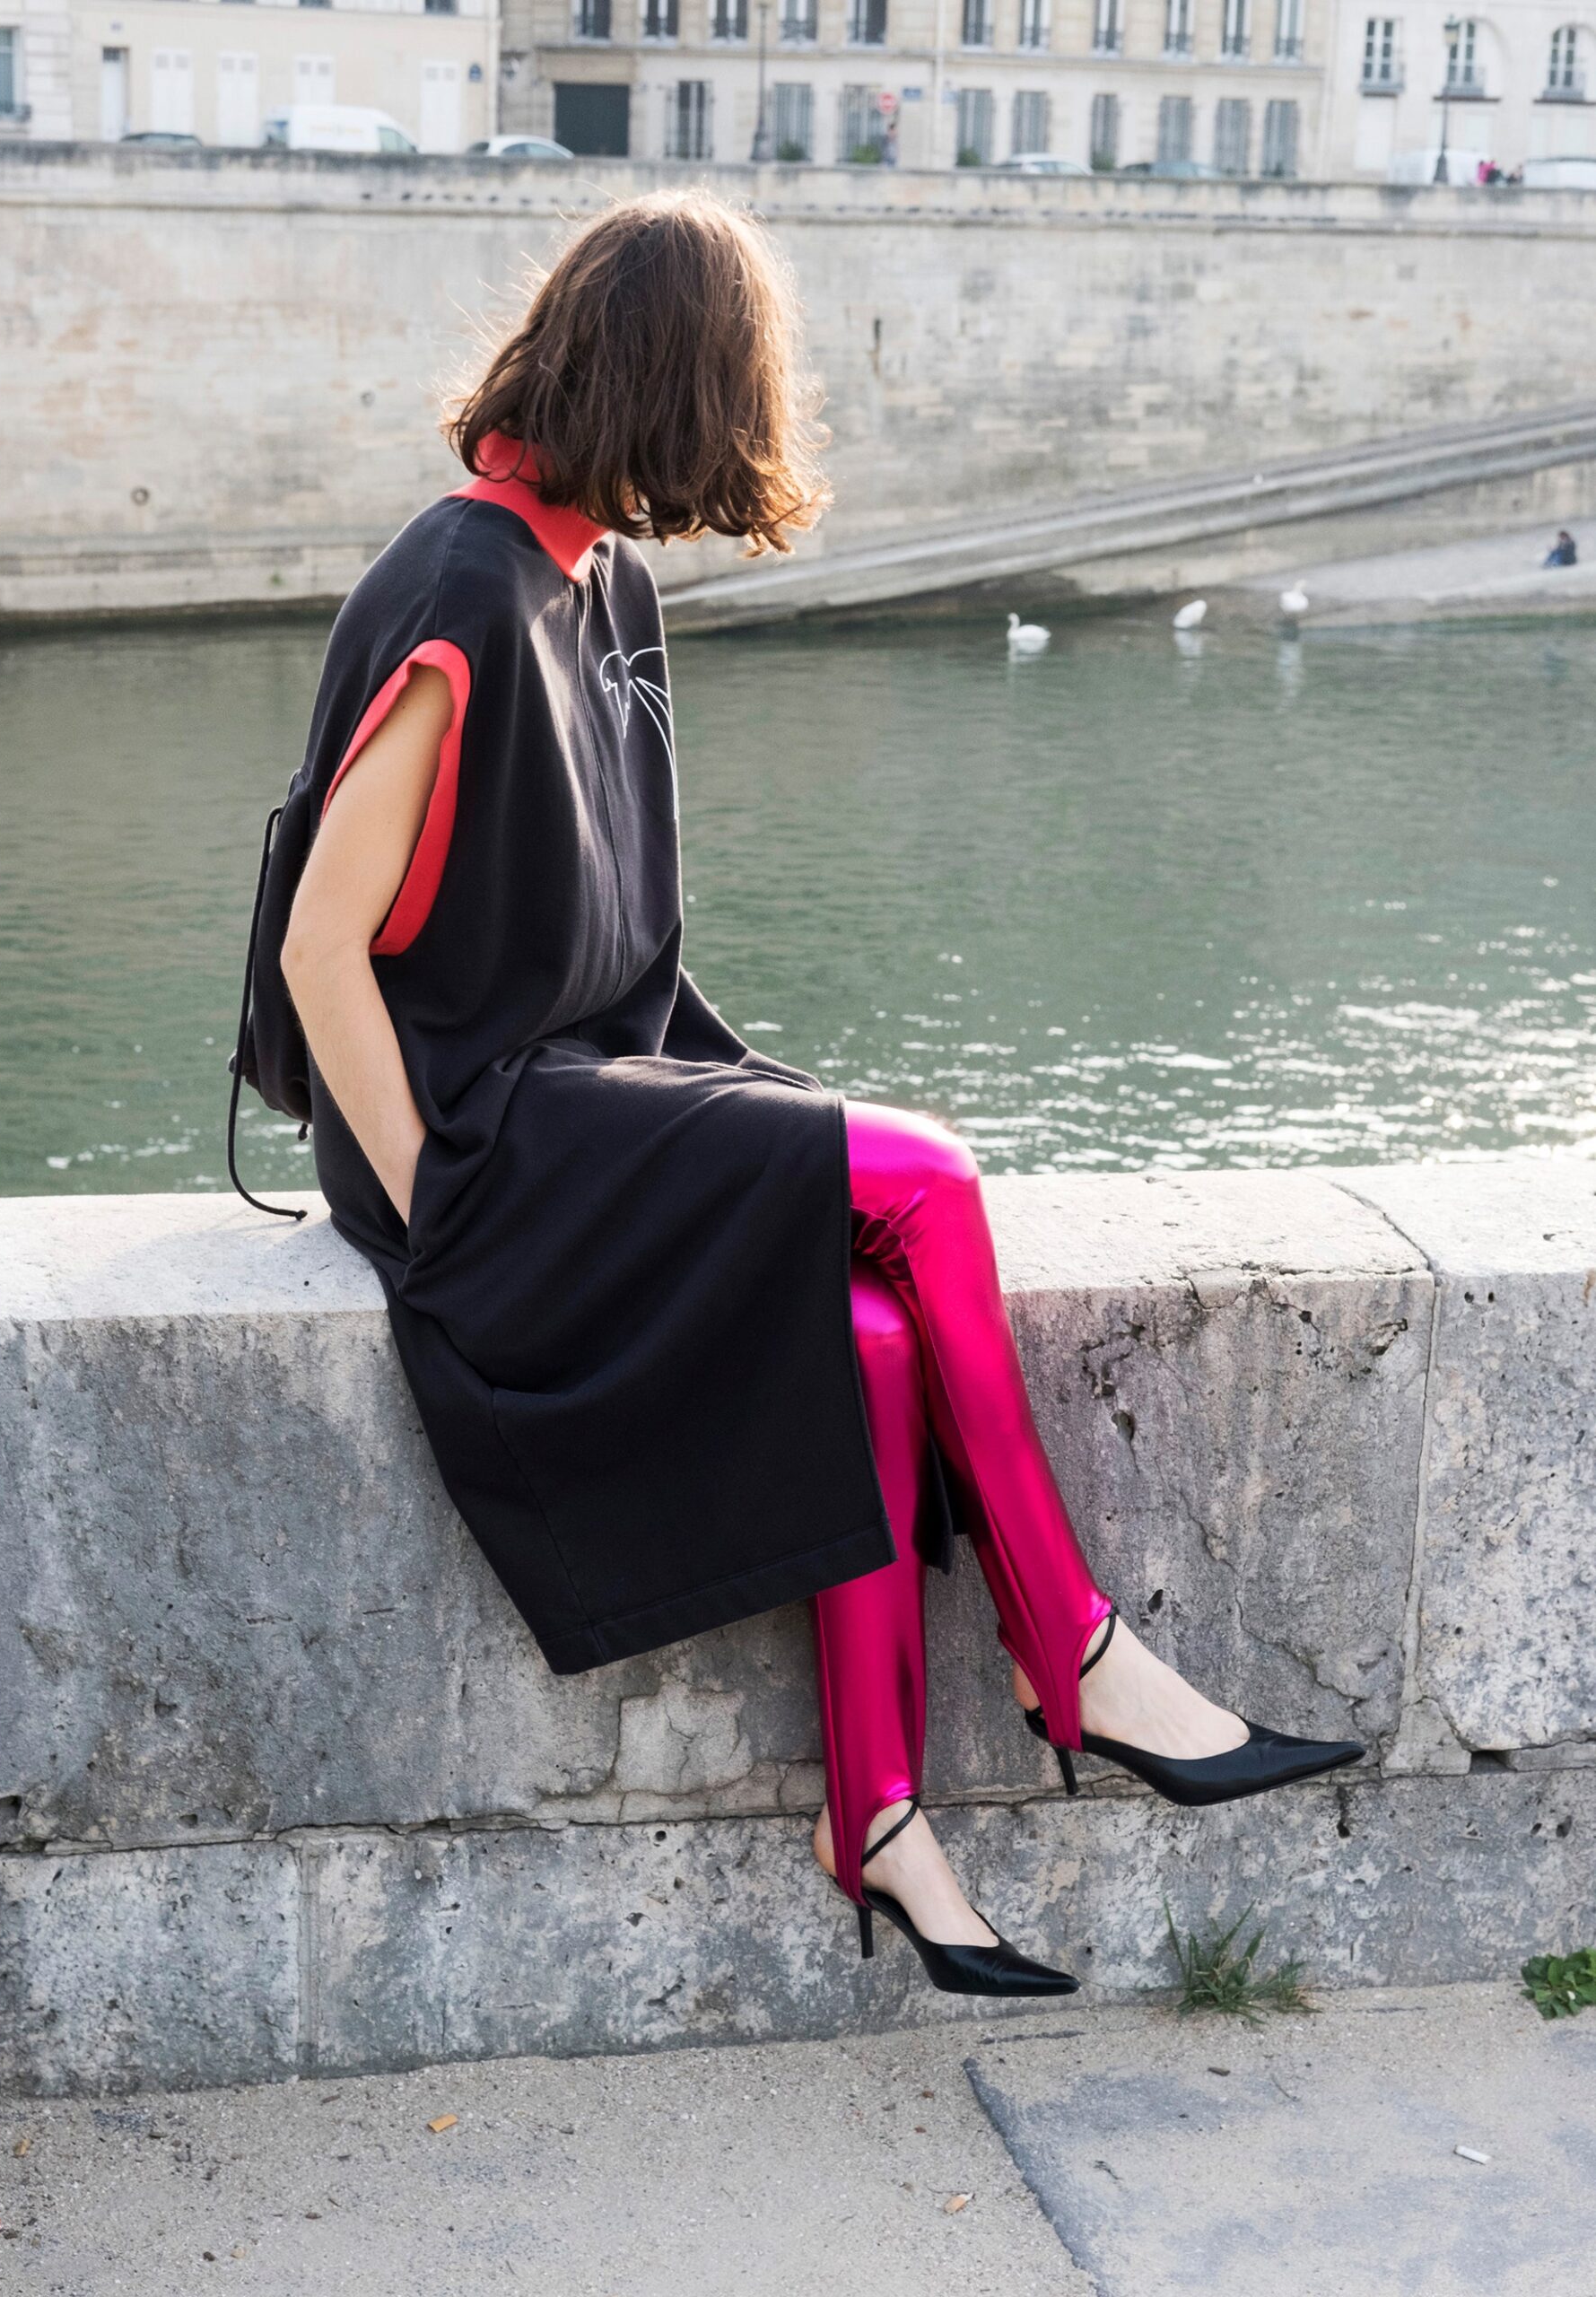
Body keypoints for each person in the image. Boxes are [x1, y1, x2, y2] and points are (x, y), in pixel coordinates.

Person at [237, 190, 1363, 2003]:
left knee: (873, 1341)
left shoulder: (597, 575)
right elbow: (320, 947)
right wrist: (448, 1210)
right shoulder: (462, 586)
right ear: (674, 386)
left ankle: (880, 1815)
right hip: (476, 1133)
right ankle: (1069, 1650)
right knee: (925, 1177)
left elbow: (616, 953)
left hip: (582, 1088)